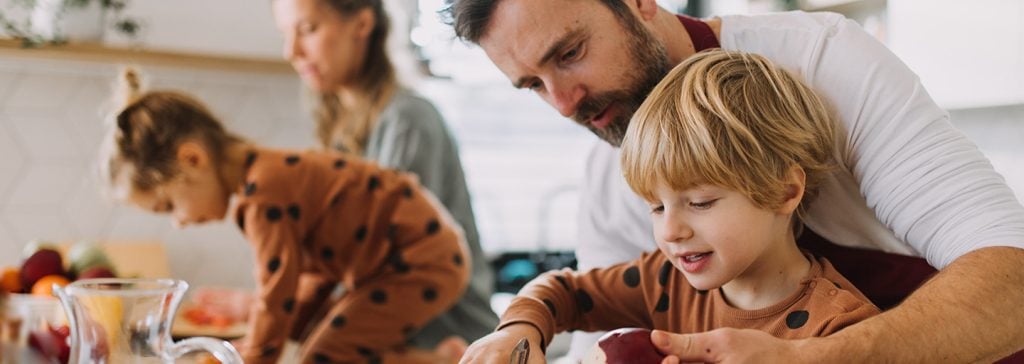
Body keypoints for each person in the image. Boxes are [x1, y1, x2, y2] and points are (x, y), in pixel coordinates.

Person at [442, 0, 1024, 362]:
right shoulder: (612, 173)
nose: (564, 104)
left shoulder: (824, 61)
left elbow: (1013, 278)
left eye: (570, 52)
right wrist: (518, 330)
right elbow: (592, 317)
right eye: (532, 86)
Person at [461, 49, 881, 362]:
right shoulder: (665, 281)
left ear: (785, 191)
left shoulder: (839, 327)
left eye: (700, 202)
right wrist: (516, 331)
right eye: (656, 207)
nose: (671, 231)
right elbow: (562, 291)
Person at [100, 68, 470, 363]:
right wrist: (261, 340)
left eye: (168, 206)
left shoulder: (263, 195)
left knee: (321, 355)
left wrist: (260, 354)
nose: (177, 221)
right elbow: (305, 278)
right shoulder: (268, 178)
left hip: (418, 258)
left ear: (192, 160)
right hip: (411, 256)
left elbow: (275, 296)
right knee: (314, 332)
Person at [271, 0, 499, 350]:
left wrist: (277, 308)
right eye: (285, 34)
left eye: (308, 29)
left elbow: (376, 259)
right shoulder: (341, 133)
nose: (292, 51)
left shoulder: (409, 119)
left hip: (454, 343)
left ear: (361, 24)